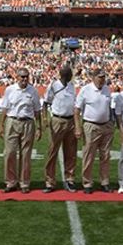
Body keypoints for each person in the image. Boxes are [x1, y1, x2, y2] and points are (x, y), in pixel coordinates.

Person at [0, 69, 43, 193]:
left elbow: (37, 110)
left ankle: (24, 183)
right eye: (22, 77)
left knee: (26, 155)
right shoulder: (10, 90)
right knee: (10, 153)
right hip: (12, 121)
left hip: (28, 122)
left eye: (26, 77)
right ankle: (10, 182)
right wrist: (1, 125)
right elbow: (4, 108)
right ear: (17, 77)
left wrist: (39, 127)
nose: (24, 79)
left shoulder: (33, 90)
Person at [75, 68, 114, 194]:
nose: (102, 79)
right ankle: (87, 183)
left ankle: (105, 182)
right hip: (91, 125)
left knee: (106, 155)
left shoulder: (107, 89)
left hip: (106, 126)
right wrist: (78, 127)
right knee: (88, 155)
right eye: (100, 77)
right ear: (93, 77)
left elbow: (109, 107)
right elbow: (77, 110)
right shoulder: (86, 90)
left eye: (103, 77)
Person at [42, 62, 79, 193]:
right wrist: (46, 119)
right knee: (52, 152)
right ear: (65, 75)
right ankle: (49, 181)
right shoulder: (53, 85)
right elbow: (45, 103)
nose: (71, 76)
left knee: (71, 152)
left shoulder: (71, 86)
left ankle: (70, 179)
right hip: (57, 119)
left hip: (70, 121)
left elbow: (75, 105)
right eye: (69, 74)